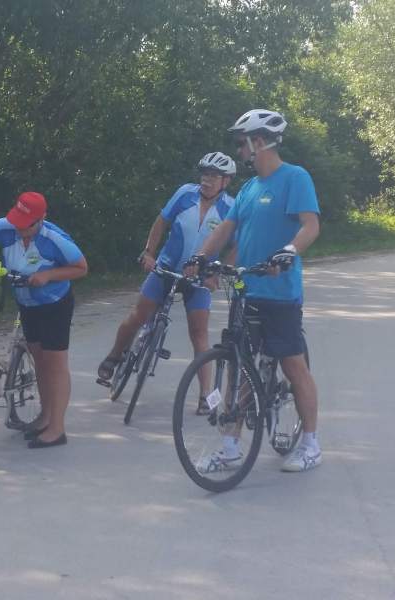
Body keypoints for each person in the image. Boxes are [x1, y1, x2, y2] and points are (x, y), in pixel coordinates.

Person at [185, 109, 322, 473]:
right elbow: (226, 229)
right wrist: (200, 257)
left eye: (241, 143)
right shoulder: (249, 189)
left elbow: (310, 225)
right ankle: (230, 447)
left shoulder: (294, 177)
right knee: (238, 368)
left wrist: (288, 252)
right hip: (247, 290)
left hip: (279, 292)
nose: (239, 150)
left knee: (293, 365)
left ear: (259, 142)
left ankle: (311, 444)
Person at [96, 152, 237, 413]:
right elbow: (161, 222)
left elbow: (236, 245)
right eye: (204, 174)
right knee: (138, 315)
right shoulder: (185, 194)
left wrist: (216, 274)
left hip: (198, 278)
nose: (206, 180)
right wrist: (149, 253)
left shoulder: (231, 207)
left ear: (225, 181)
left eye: (213, 176)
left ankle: (205, 396)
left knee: (199, 333)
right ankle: (114, 356)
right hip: (166, 268)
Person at [0, 191, 88, 448]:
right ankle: (45, 416)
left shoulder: (54, 239)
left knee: (55, 364)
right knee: (40, 360)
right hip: (27, 304)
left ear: (41, 219)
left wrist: (49, 275)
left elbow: (81, 267)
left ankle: (57, 429)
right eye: (17, 222)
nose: (20, 229)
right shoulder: (7, 227)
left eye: (26, 225)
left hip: (54, 304)